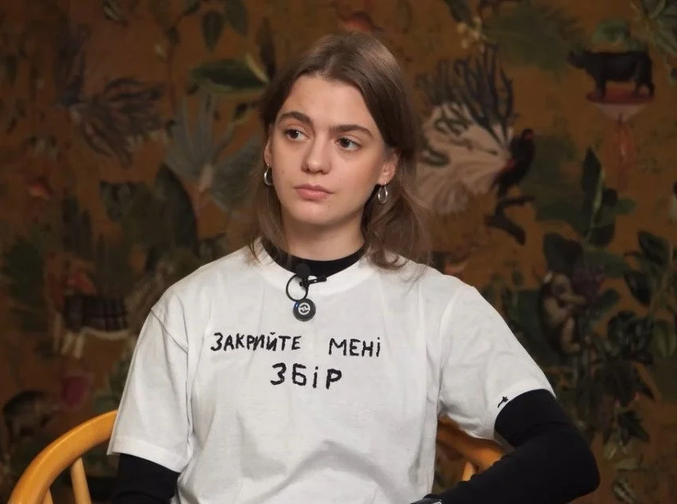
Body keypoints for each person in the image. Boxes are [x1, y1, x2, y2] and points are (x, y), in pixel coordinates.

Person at [105, 32, 600, 504]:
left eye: (347, 142)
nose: (314, 160)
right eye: (295, 133)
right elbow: (138, 494)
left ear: (387, 164)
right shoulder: (189, 307)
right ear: (269, 147)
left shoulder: (440, 309)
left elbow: (565, 457)